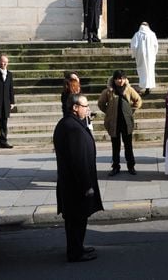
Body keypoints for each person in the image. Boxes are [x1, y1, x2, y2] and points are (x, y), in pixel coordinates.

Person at [53, 93, 103, 262]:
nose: (87, 109)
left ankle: (77, 248)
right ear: (75, 108)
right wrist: (86, 185)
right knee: (77, 220)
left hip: (71, 184)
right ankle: (75, 253)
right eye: (85, 106)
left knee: (77, 219)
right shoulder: (72, 128)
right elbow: (78, 161)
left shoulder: (70, 123)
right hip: (76, 185)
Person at [98, 70, 142, 176]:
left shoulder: (129, 89)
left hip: (126, 122)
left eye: (122, 78)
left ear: (125, 79)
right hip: (114, 123)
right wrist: (108, 112)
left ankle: (131, 166)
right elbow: (101, 103)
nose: (120, 80)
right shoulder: (108, 91)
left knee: (128, 146)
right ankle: (115, 166)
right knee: (115, 146)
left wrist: (131, 111)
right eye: (118, 78)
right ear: (114, 79)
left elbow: (138, 100)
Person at [130, 22, 159, 95]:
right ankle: (149, 87)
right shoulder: (152, 34)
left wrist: (134, 54)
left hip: (141, 56)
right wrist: (154, 54)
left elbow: (134, 46)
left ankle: (143, 85)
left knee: (142, 71)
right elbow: (156, 46)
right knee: (150, 71)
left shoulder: (137, 34)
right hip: (150, 56)